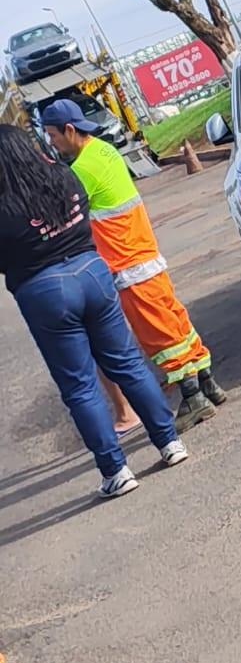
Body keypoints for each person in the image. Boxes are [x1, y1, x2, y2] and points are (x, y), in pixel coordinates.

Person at [0, 125, 187, 498]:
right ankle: (169, 443)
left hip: (44, 290)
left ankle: (116, 471)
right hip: (93, 271)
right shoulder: (64, 177)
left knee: (80, 386)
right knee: (128, 363)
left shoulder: (6, 205)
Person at [41, 100, 226, 432]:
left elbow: (60, 212)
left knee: (159, 334)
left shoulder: (82, 171)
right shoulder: (105, 152)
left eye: (52, 135)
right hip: (146, 254)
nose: (51, 142)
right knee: (176, 320)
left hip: (127, 264)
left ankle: (193, 398)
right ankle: (208, 382)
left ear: (70, 131)